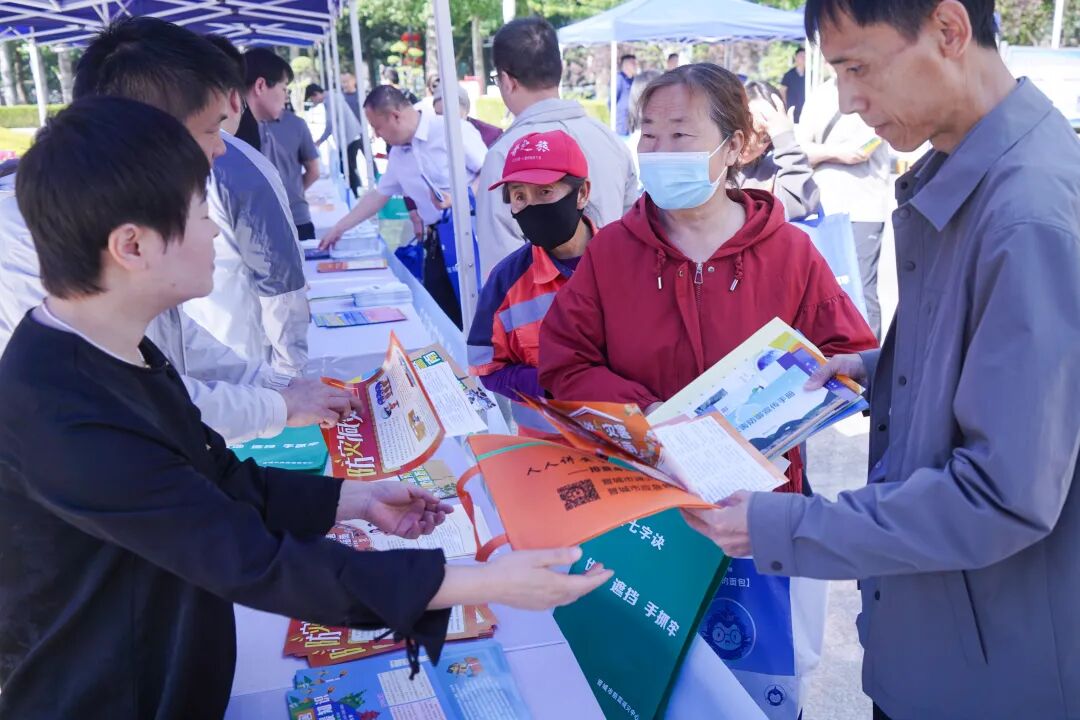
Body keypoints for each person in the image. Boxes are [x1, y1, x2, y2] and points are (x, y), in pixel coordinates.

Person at [0, 96, 613, 718]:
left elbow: (220, 480)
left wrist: (354, 499)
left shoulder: (109, 351)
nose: (214, 232)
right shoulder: (62, 411)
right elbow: (250, 560)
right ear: (132, 246)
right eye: (200, 213)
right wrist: (486, 582)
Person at [684, 2, 1080, 719]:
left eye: (858, 67)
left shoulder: (1027, 212)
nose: (848, 100)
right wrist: (881, 368)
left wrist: (783, 528)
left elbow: (1002, 495)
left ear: (949, 31)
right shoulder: (978, 171)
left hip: (987, 670)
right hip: (948, 635)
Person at [539, 63, 876, 495]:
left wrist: (786, 406)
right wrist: (647, 412)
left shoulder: (790, 251)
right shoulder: (611, 251)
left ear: (732, 146)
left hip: (758, 500)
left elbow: (849, 354)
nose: (659, 151)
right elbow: (565, 364)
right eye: (649, 134)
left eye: (680, 134)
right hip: (646, 491)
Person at [0, 19, 326, 444]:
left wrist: (278, 388)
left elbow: (172, 342)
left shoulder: (120, 204)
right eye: (210, 129)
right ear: (149, 130)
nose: (221, 147)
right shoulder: (33, 232)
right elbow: (128, 396)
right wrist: (279, 404)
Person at [477, 17, 639, 278]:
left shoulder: (504, 155)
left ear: (507, 80)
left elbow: (499, 271)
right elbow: (632, 233)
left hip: (541, 303)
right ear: (559, 69)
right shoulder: (610, 139)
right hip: (616, 291)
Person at [319, 85, 488, 327]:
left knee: (480, 316)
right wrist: (339, 228)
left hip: (472, 239)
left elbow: (490, 170)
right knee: (445, 318)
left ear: (395, 116)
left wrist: (460, 197)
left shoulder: (451, 130)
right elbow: (378, 196)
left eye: (377, 127)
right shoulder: (398, 155)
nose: (377, 135)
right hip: (436, 245)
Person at [467, 130, 595, 435]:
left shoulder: (626, 261)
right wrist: (550, 385)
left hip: (626, 447)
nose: (531, 206)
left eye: (545, 191)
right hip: (545, 449)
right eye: (519, 196)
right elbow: (487, 367)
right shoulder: (504, 281)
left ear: (581, 193)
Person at [797, 76, 891, 339]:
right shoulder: (820, 93)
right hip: (821, 207)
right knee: (823, 289)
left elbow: (861, 151)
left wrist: (821, 151)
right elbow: (799, 149)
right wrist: (838, 152)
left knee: (862, 289)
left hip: (864, 208)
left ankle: (869, 356)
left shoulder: (879, 87)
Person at [243, 49, 321, 240]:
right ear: (260, 86)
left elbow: (313, 170)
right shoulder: (236, 133)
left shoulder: (292, 124)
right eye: (284, 88)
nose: (286, 96)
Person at [738, 80, 820, 220]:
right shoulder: (711, 159)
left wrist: (785, 138)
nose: (752, 143)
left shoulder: (776, 169)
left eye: (765, 137)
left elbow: (802, 205)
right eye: (747, 128)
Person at [307, 82, 366, 198]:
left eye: (312, 98)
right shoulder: (332, 97)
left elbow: (330, 124)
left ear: (316, 94)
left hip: (349, 138)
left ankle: (354, 195)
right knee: (348, 166)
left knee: (347, 167)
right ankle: (356, 191)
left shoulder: (330, 100)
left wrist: (319, 141)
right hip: (350, 136)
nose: (313, 101)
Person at [433, 83, 503, 148]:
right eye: (439, 115)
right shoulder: (433, 136)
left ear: (467, 110)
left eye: (452, 115)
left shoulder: (491, 136)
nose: (445, 120)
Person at [780, 47, 807, 122]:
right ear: (796, 57)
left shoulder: (810, 75)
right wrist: (785, 108)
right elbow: (782, 92)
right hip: (792, 112)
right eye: (801, 56)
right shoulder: (788, 75)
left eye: (805, 56)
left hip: (806, 110)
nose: (803, 58)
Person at [615, 53, 638, 137]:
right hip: (621, 123)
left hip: (632, 123)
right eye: (633, 64)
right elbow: (612, 101)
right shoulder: (619, 79)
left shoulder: (634, 80)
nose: (636, 66)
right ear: (626, 65)